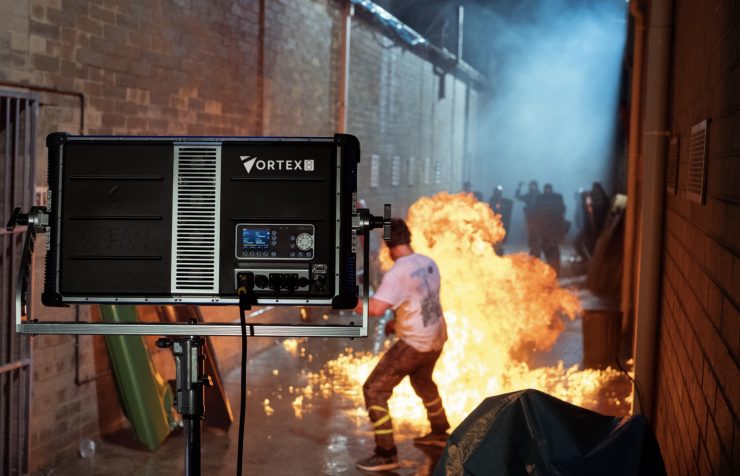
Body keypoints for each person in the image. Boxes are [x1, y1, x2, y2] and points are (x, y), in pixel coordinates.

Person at [354, 218, 450, 472]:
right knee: (423, 382)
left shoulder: (397, 273)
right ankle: (440, 432)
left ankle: (386, 453)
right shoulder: (427, 262)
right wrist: (396, 322)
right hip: (437, 337)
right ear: (408, 238)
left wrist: (346, 300)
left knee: (374, 389)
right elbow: (419, 300)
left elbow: (375, 309)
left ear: (388, 246)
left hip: (415, 342)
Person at [531, 183, 567, 273]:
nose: (548, 191)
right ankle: (552, 268)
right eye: (546, 189)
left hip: (553, 229)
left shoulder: (556, 198)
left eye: (549, 189)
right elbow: (535, 212)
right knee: (547, 248)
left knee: (553, 249)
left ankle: (555, 268)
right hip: (545, 229)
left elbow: (562, 211)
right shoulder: (541, 198)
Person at [515, 180, 541, 257]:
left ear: (536, 186)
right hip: (530, 217)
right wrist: (518, 188)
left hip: (538, 218)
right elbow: (518, 197)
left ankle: (536, 251)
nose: (532, 187)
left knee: (536, 234)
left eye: (533, 185)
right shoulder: (528, 196)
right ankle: (533, 250)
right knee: (531, 233)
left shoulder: (540, 196)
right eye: (531, 186)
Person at [489, 185, 513, 255]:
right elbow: (491, 210)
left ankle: (498, 252)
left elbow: (506, 211)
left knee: (499, 239)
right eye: (497, 191)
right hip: (493, 223)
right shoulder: (492, 201)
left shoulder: (504, 202)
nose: (498, 193)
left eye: (499, 192)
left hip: (501, 222)